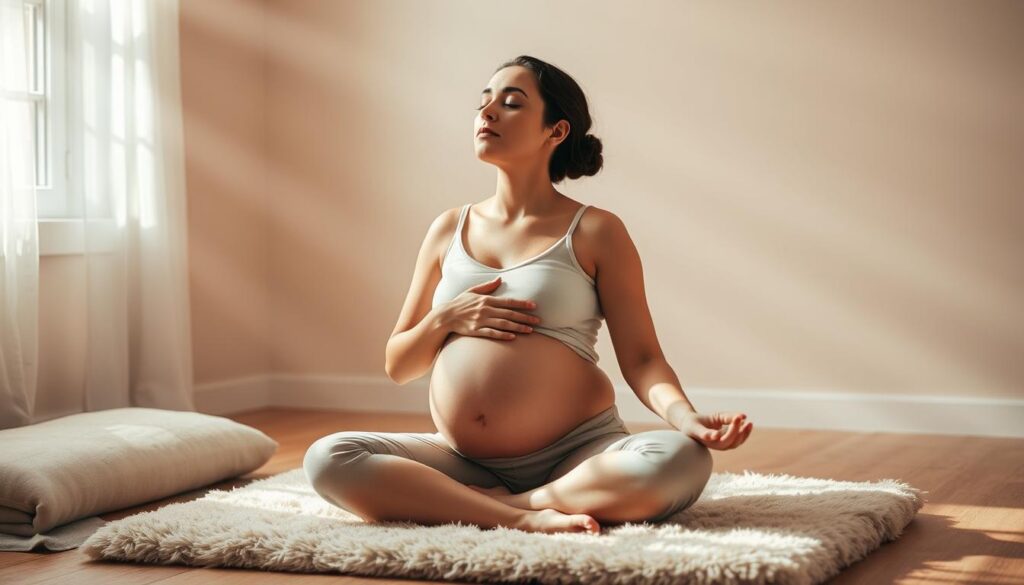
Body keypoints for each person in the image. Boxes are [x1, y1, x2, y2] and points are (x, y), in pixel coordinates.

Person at [304, 55, 753, 535]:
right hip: (463, 459)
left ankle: (516, 502)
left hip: (578, 454)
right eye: (484, 102)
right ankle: (520, 517)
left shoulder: (597, 230)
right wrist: (446, 318)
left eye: (511, 103)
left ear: (555, 132)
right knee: (328, 458)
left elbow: (643, 359)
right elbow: (399, 365)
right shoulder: (447, 229)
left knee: (678, 459)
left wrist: (686, 418)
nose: (488, 112)